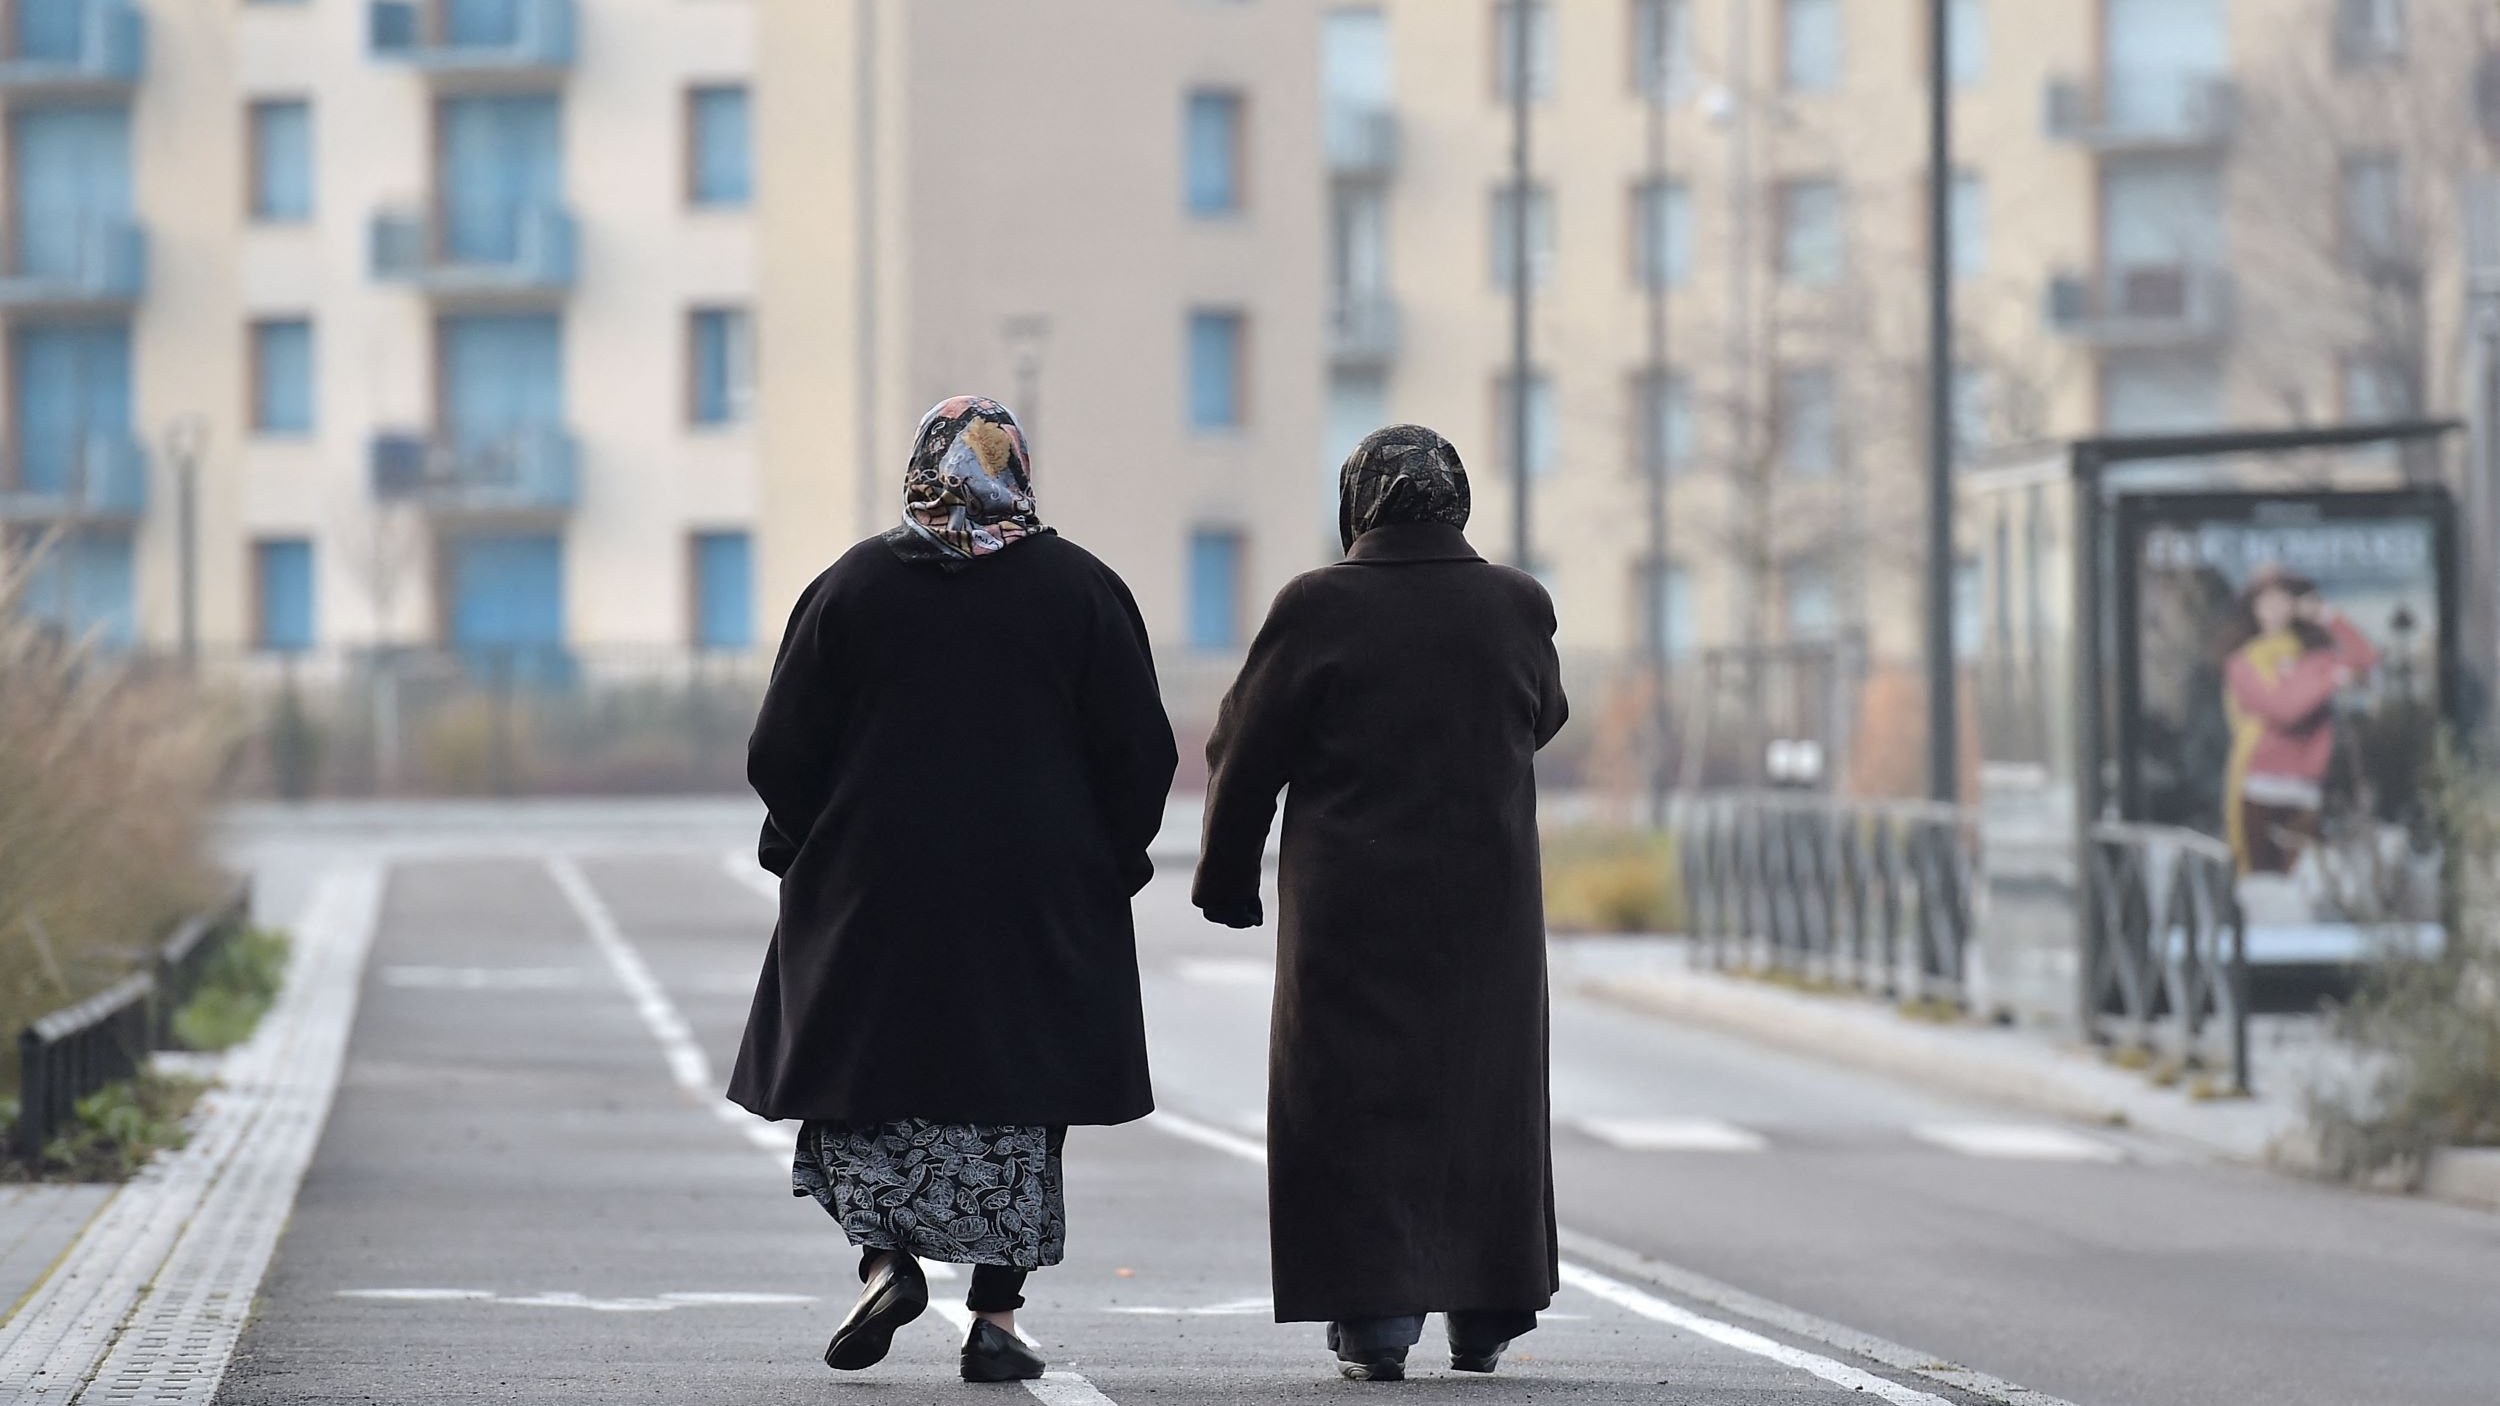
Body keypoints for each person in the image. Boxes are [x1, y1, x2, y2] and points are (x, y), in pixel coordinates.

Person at [728, 396, 1177, 1384]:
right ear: (1017, 467)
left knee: (871, 1086)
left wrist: (804, 844)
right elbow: (1141, 753)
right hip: (1032, 901)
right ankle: (997, 1316)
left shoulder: (851, 588)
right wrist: (1108, 858)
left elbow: (779, 749)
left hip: (872, 895)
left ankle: (887, 1260)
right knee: (1016, 1100)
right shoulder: (1081, 591)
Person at [1192, 424, 1569, 1382]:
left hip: (1351, 909)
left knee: (1352, 1103)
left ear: (1359, 503)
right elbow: (1546, 714)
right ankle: (1485, 1313)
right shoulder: (1517, 605)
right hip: (1488, 911)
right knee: (1484, 1096)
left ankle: (1376, 1319)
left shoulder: (1318, 607)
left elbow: (1245, 752)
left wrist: (1227, 881)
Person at [2221, 565, 2378, 875]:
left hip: (2305, 786)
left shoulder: (2315, 659)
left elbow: (2366, 658)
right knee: (2262, 880)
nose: (2275, 610)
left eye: (2283, 601)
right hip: (2260, 787)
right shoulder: (2242, 663)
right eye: (2266, 602)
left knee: (2302, 881)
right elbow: (2283, 710)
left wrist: (2325, 614)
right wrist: (2331, 679)